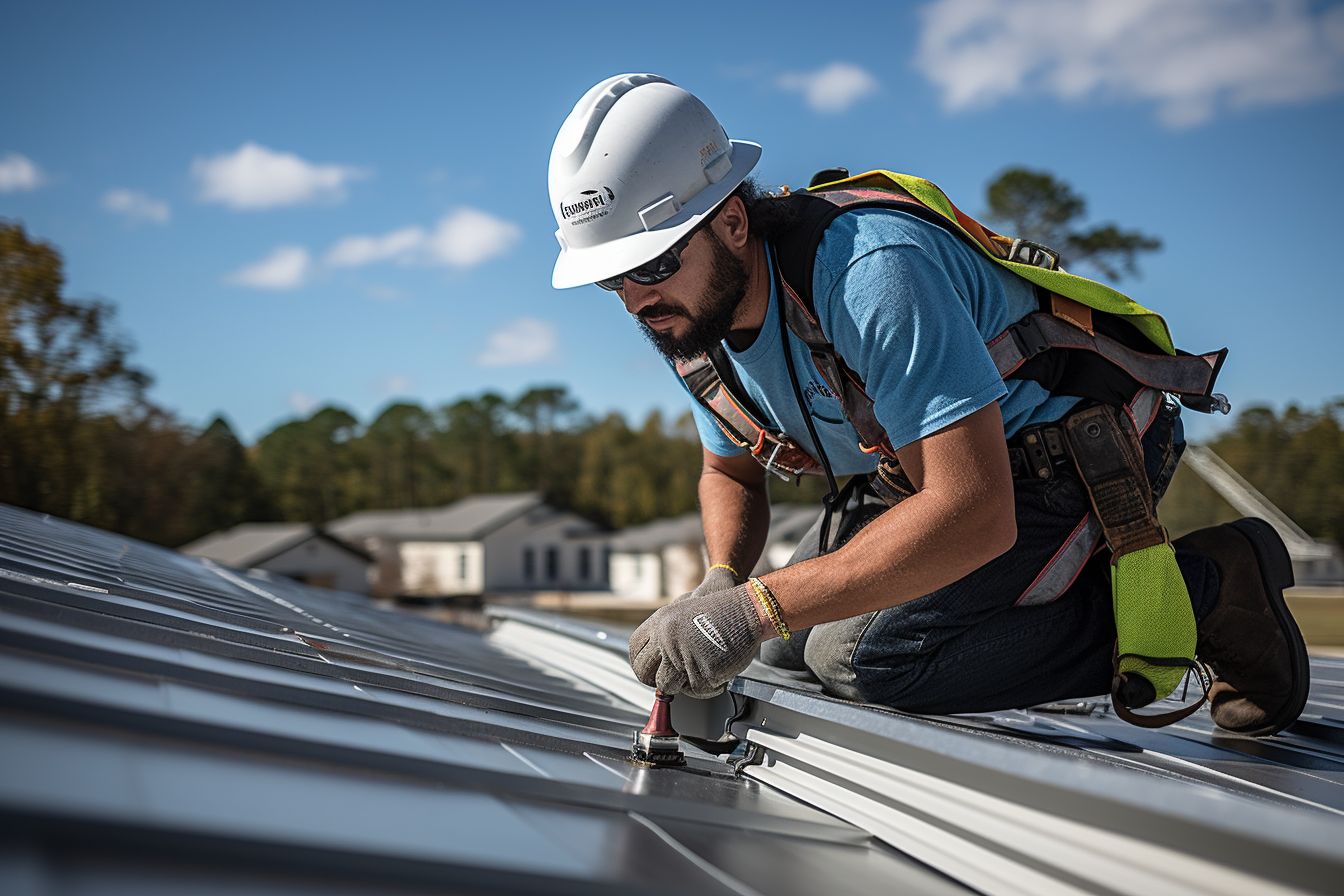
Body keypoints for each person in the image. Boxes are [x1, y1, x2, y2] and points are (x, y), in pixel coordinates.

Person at [548, 73, 1309, 736]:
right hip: (925, 477)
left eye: (652, 263)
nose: (635, 298)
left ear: (734, 221)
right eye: (611, 279)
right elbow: (733, 475)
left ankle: (1216, 591)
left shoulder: (868, 271)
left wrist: (754, 607)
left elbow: (975, 510)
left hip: (1073, 445)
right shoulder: (694, 323)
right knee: (781, 648)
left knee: (866, 658)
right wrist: (723, 581)